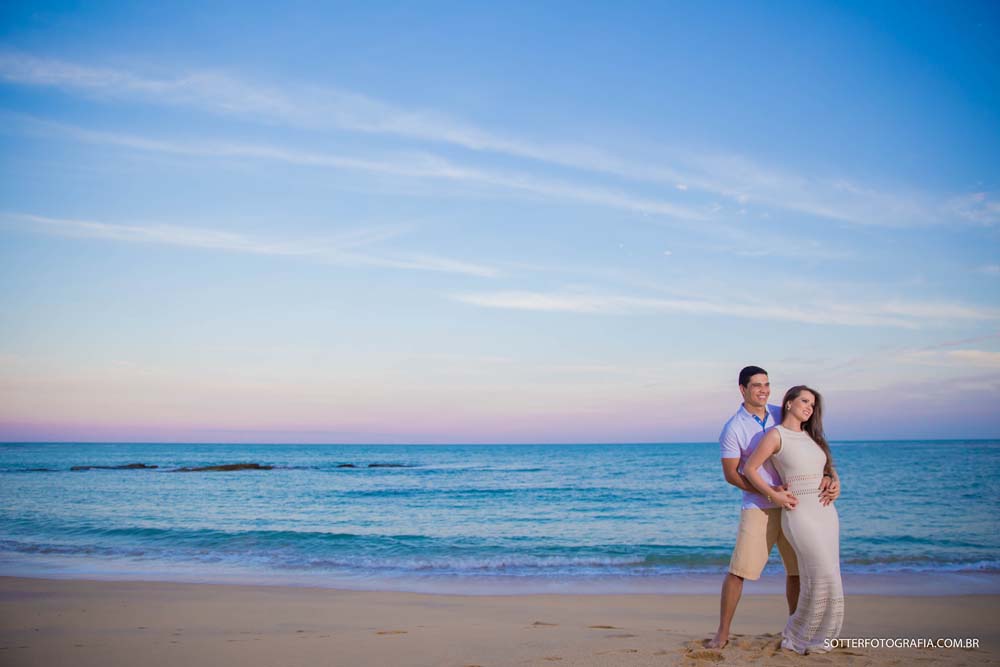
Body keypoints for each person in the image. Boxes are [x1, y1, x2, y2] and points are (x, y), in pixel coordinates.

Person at [707, 367, 840, 649]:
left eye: (767, 384)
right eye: (757, 386)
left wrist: (830, 476)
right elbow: (732, 474)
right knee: (739, 570)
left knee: (797, 571)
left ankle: (796, 630)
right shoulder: (733, 428)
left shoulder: (784, 412)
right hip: (759, 506)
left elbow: (812, 449)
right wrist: (769, 493)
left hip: (798, 507)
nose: (764, 390)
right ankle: (723, 632)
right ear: (742, 389)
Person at [743, 385, 844, 653]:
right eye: (804, 401)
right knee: (819, 574)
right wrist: (773, 496)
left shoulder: (814, 438)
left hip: (826, 513)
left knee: (829, 574)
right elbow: (749, 469)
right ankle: (798, 636)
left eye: (813, 404)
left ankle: (818, 636)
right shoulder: (777, 436)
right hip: (799, 513)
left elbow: (830, 471)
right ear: (788, 403)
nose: (809, 407)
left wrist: (835, 483)